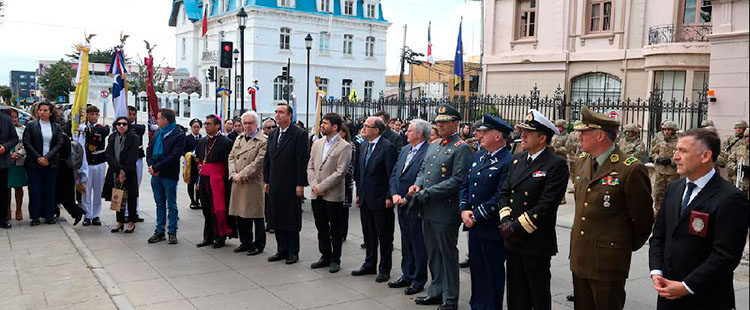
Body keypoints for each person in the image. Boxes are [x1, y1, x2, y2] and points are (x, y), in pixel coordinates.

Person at [648, 128, 749, 310]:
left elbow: (726, 255)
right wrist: (656, 271)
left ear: (705, 156)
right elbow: (659, 236)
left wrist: (686, 286)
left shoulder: (730, 198)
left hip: (706, 299)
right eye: (675, 150)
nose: (676, 157)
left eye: (683, 151)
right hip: (668, 295)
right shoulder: (674, 189)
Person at [570, 107, 655, 310]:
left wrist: (619, 246)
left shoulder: (630, 168)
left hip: (608, 262)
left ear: (599, 135)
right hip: (580, 256)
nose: (578, 136)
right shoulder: (581, 162)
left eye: (583, 132)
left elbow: (643, 220)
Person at [498, 110, 569, 310]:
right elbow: (505, 193)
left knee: (537, 293)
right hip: (512, 238)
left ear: (542, 137)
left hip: (535, 240)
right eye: (522, 131)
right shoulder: (517, 160)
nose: (523, 135)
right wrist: (505, 222)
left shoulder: (556, 165)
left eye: (528, 132)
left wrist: (516, 227)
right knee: (516, 292)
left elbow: (547, 204)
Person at [407, 104, 472, 310]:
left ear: (455, 123)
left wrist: (427, 192)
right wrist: (418, 183)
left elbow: (457, 180)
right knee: (433, 253)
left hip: (445, 210)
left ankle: (450, 298)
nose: (440, 125)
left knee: (447, 255)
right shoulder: (434, 145)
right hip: (427, 208)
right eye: (438, 122)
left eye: (445, 122)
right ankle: (436, 291)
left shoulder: (461, 147)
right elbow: (424, 169)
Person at [458, 114, 514, 310]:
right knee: (477, 271)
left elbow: (500, 196)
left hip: (491, 228)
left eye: (482, 132)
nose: (477, 135)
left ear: (498, 135)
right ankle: (477, 305)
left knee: (492, 274)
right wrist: (464, 209)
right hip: (474, 226)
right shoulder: (479, 155)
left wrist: (475, 216)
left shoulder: (507, 161)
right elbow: (466, 183)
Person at [388, 119, 431, 295]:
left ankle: (418, 279)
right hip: (400, 202)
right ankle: (407, 274)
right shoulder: (405, 149)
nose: (406, 133)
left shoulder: (429, 151)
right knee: (405, 240)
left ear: (420, 134)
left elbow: (423, 179)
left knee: (417, 242)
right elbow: (395, 173)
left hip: (415, 203)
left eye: (410, 130)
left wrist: (406, 196)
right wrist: (394, 194)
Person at [264, 103, 310, 264]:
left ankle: (292, 252)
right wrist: (267, 180)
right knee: (276, 216)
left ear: (289, 115)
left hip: (291, 183)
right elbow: (268, 159)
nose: (277, 115)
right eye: (276, 112)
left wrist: (300, 184)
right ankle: (281, 250)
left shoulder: (299, 134)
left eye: (281, 112)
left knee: (290, 218)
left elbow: (301, 160)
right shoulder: (273, 133)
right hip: (275, 182)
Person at [353, 116, 396, 282]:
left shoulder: (387, 147)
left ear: (377, 130)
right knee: (368, 234)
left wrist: (389, 196)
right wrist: (359, 194)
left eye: (367, 126)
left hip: (381, 199)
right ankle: (369, 264)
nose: (363, 128)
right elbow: (360, 172)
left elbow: (391, 174)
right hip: (365, 197)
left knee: (384, 236)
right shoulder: (364, 145)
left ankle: (384, 268)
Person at [307, 113, 351, 273]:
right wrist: (313, 185)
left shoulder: (344, 146)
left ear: (335, 127)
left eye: (325, 123)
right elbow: (310, 166)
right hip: (316, 192)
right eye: (322, 123)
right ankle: (324, 255)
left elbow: (340, 172)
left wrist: (322, 186)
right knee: (321, 227)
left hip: (333, 195)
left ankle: (335, 259)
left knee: (335, 228)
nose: (322, 125)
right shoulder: (317, 144)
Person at [228, 111, 267, 256]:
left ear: (256, 124)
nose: (247, 126)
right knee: (240, 214)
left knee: (256, 215)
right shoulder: (239, 138)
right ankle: (245, 242)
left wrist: (241, 175)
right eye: (245, 123)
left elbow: (258, 163)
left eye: (250, 123)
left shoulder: (263, 140)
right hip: (237, 181)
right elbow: (231, 156)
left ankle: (258, 244)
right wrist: (232, 173)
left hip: (253, 182)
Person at [146, 108, 185, 244]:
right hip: (155, 174)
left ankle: (172, 231)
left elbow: (174, 156)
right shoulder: (158, 133)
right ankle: (159, 231)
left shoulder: (178, 134)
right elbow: (149, 149)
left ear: (165, 120)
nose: (157, 120)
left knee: (171, 205)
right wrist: (151, 166)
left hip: (169, 174)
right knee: (159, 203)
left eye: (158, 118)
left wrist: (157, 167)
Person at [196, 114, 235, 249]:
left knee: (218, 209)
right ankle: (208, 236)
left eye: (209, 124)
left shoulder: (226, 142)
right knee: (206, 209)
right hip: (204, 179)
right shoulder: (202, 141)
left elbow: (229, 163)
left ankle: (220, 236)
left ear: (217, 126)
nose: (206, 126)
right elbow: (200, 160)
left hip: (219, 181)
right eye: (205, 124)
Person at [22, 101, 63, 226]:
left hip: (50, 164)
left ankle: (49, 215)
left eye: (45, 110)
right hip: (34, 163)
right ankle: (35, 217)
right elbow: (27, 142)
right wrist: (39, 158)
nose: (42, 112)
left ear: (50, 113)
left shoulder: (56, 127)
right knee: (35, 190)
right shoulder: (31, 125)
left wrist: (47, 158)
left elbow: (59, 143)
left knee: (49, 190)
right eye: (40, 110)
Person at [102, 116, 140, 233]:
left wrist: (124, 171)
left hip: (129, 172)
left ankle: (132, 222)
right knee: (117, 197)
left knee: (130, 197)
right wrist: (118, 169)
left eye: (124, 124)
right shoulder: (113, 137)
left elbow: (132, 156)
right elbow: (108, 154)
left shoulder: (134, 138)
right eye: (119, 124)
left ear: (128, 125)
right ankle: (119, 221)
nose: (121, 126)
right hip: (115, 171)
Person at [82, 105, 109, 226]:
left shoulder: (101, 128)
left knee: (98, 190)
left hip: (99, 162)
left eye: (96, 114)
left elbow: (104, 131)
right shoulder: (82, 128)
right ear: (87, 115)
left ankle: (96, 215)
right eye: (91, 114)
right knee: (86, 191)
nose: (94, 116)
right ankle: (87, 215)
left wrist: (88, 130)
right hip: (86, 163)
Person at [651, 121, 680, 217]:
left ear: (674, 131)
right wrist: (657, 158)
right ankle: (658, 213)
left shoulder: (679, 141)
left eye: (668, 130)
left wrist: (671, 161)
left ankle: (670, 214)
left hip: (672, 173)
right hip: (660, 172)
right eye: (664, 130)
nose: (666, 132)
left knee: (672, 194)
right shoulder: (659, 139)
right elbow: (652, 153)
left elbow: (683, 157)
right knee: (658, 193)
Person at [4, 109, 27, 222]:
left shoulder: (23, 129)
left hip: (19, 162)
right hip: (6, 162)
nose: (14, 119)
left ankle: (19, 209)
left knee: (18, 187)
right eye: (12, 117)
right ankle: (7, 209)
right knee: (6, 188)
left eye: (16, 117)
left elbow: (26, 144)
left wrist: (19, 153)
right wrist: (8, 155)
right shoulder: (3, 128)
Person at [0, 108, 19, 229]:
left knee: (2, 192)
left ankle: (2, 218)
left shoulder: (6, 119)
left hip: (2, 162)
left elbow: (14, 139)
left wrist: (4, 147)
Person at [127, 106, 146, 223]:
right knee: (124, 187)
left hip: (137, 159)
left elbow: (140, 129)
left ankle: (134, 211)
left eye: (134, 114)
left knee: (135, 186)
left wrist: (124, 124)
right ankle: (124, 212)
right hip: (125, 161)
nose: (132, 117)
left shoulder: (139, 127)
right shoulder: (119, 126)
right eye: (130, 114)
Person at [339, 123, 355, 241]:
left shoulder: (349, 146)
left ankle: (342, 233)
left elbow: (350, 166)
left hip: (344, 181)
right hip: (332, 183)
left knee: (343, 210)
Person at [184, 118, 202, 210]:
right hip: (190, 164)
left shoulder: (202, 139)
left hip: (199, 165)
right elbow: (183, 151)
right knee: (190, 183)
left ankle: (198, 200)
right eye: (194, 127)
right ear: (191, 128)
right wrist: (190, 155)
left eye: (198, 127)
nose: (196, 129)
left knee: (199, 183)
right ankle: (192, 201)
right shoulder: (187, 138)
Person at [726, 129, 749, 198]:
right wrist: (736, 168)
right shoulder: (739, 149)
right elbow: (730, 162)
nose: (748, 139)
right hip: (741, 185)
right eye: (747, 136)